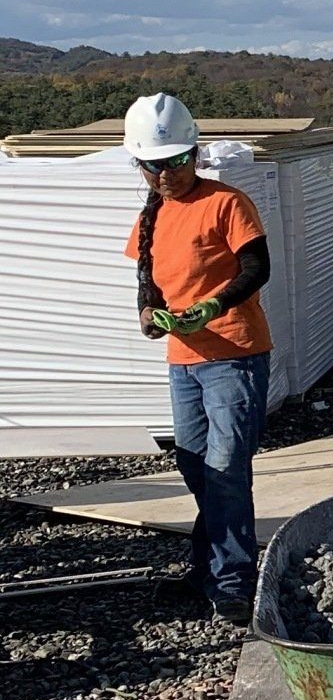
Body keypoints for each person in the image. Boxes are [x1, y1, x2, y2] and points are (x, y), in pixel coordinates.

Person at [122, 93, 274, 623]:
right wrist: (148, 313)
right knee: (197, 465)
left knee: (226, 469)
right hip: (182, 357)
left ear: (195, 154)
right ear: (139, 166)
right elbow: (148, 277)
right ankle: (207, 568)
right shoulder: (153, 216)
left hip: (234, 351)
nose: (168, 175)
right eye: (156, 166)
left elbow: (256, 268)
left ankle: (233, 579)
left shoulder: (226, 203)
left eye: (178, 162)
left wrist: (213, 303)